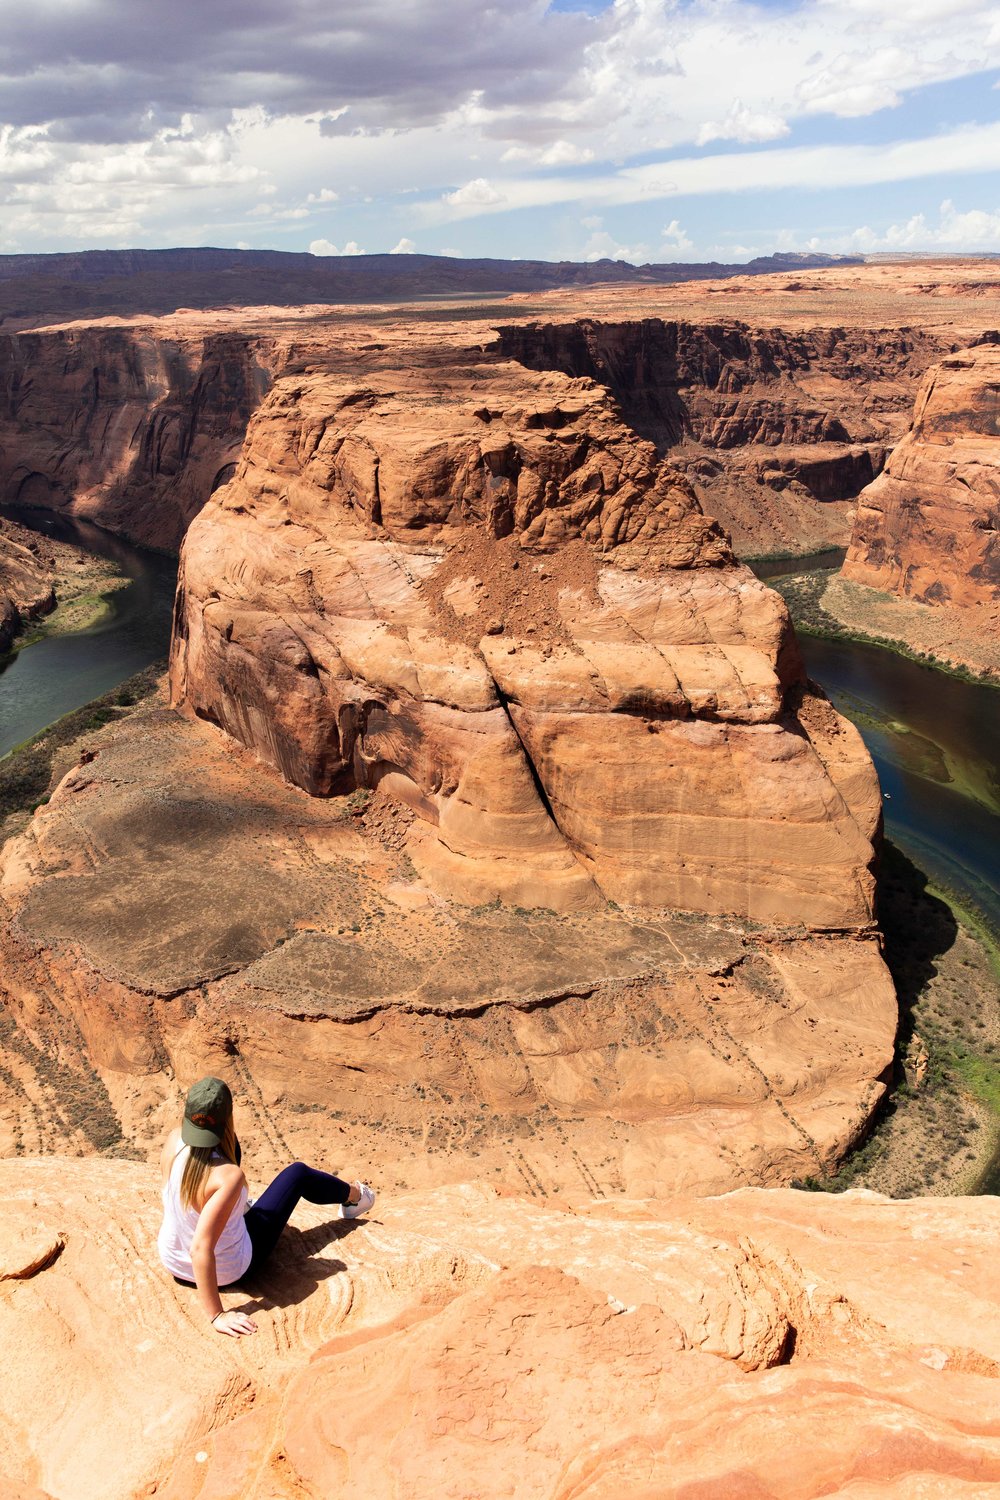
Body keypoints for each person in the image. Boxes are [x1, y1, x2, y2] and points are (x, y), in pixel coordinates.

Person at [158, 1076, 375, 1338]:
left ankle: (237, 1209)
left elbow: (176, 1201)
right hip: (228, 1270)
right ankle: (356, 1198)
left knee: (235, 1156)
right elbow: (200, 1248)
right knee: (298, 1174)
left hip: (173, 1261)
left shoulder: (172, 1141)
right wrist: (217, 1315)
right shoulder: (228, 1177)